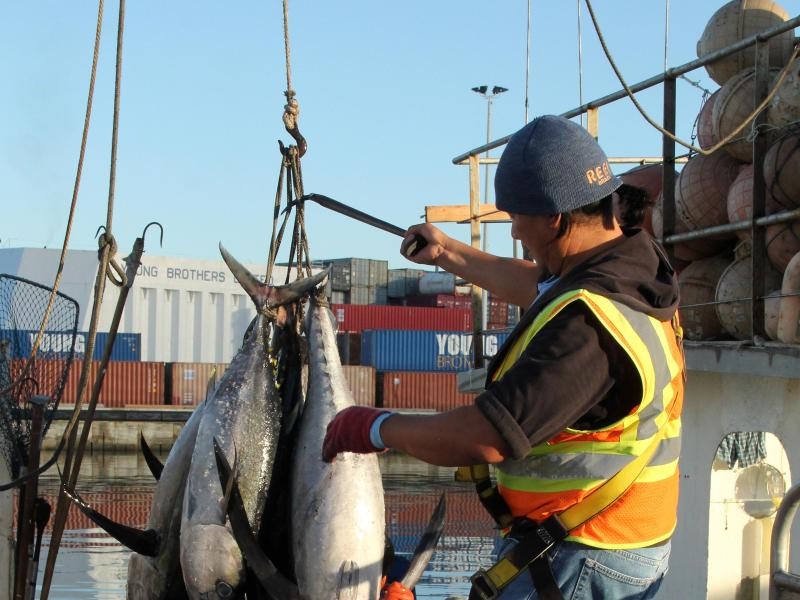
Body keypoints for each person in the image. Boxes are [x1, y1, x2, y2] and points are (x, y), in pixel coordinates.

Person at [323, 115, 684, 599]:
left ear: (555, 218)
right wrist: (448, 253)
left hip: (583, 552)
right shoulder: (629, 269)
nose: (514, 232)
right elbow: (534, 284)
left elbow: (487, 436)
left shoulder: (589, 327)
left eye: (517, 217)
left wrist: (374, 426)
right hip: (605, 539)